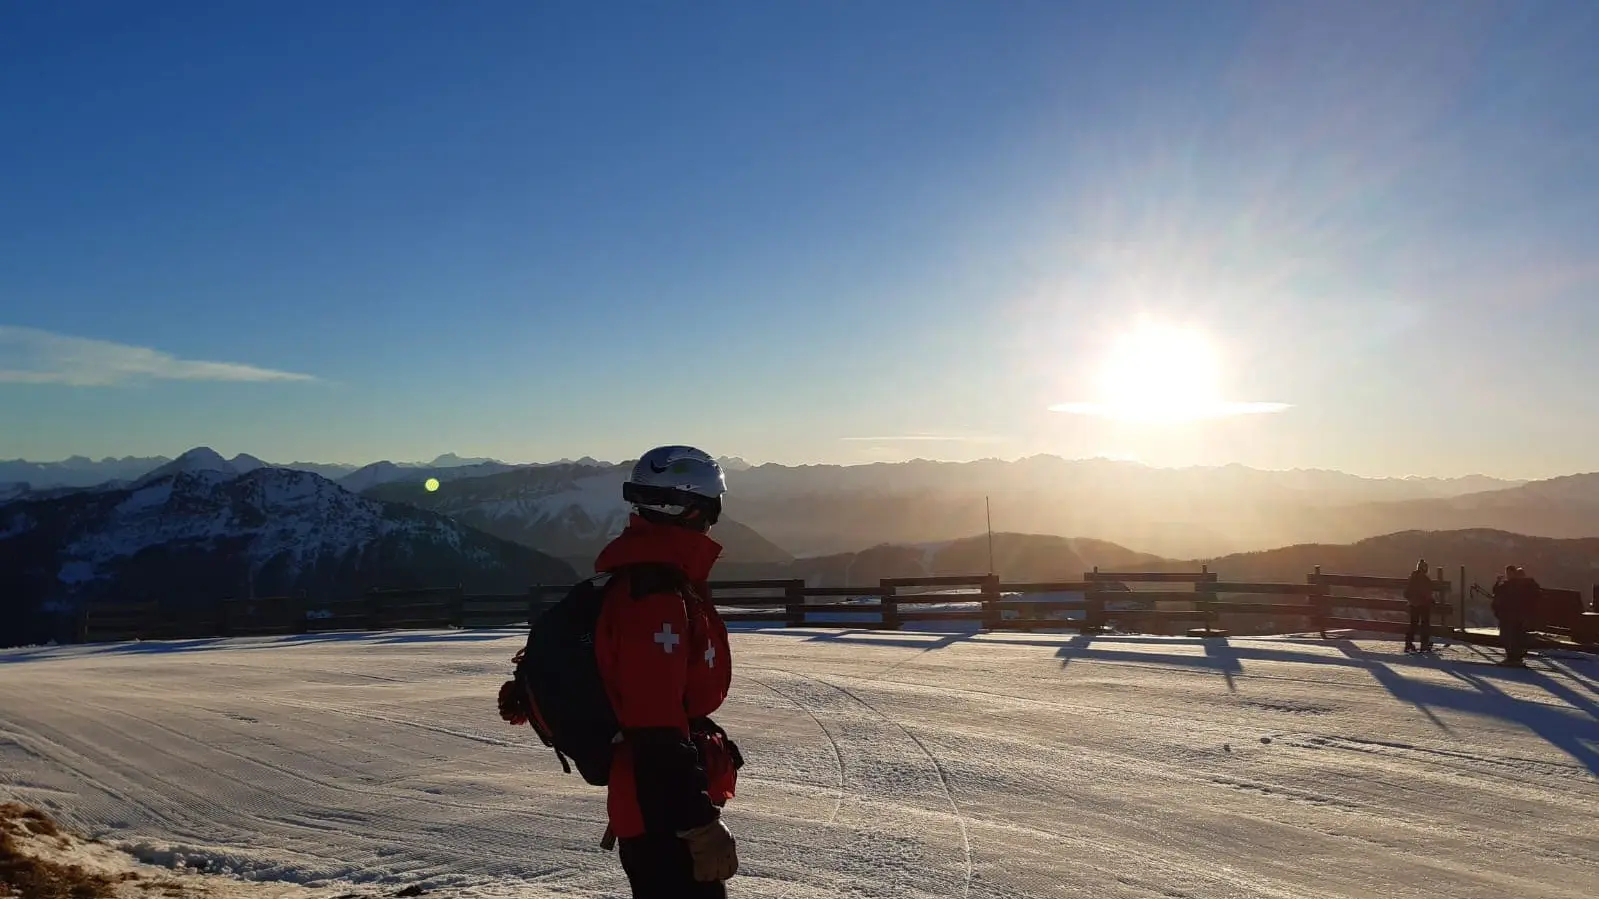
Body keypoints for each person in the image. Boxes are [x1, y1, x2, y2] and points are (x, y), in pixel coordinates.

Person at [594, 445, 742, 897]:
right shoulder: (654, 597)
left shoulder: (666, 581)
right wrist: (697, 825)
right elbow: (654, 725)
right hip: (660, 813)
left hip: (657, 803)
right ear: (692, 508)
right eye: (712, 508)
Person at [1491, 565, 1536, 668]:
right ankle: (1516, 657)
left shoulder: (1510, 585)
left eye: (1508, 573)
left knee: (1508, 636)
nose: (1507, 575)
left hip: (1509, 615)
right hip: (1517, 615)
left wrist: (1498, 583)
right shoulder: (1521, 585)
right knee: (1515, 636)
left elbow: (1497, 592)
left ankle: (1512, 658)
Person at [1403, 559, 1434, 652]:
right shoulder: (1425, 579)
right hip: (1423, 604)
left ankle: (1408, 643)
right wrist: (1431, 600)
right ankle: (1424, 644)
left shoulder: (1412, 577)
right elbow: (1427, 592)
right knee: (1425, 624)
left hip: (1413, 604)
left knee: (1413, 624)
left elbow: (1407, 592)